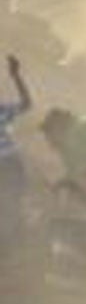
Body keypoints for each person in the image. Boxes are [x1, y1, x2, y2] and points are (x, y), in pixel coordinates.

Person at [0, 55, 30, 246]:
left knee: (12, 203)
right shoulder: (2, 110)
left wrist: (16, 76)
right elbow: (26, 104)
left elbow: (26, 104)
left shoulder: (1, 110)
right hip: (10, 162)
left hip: (9, 162)